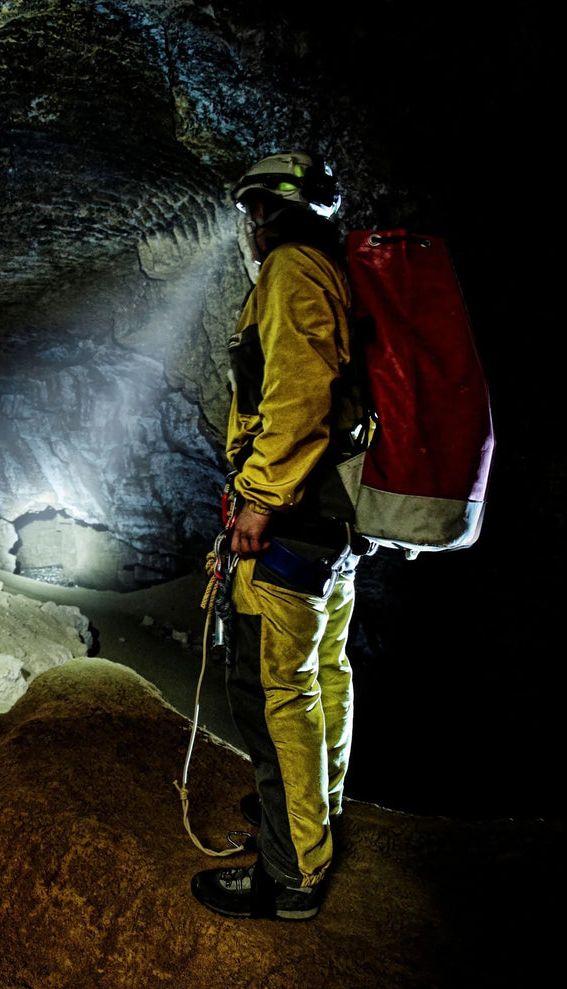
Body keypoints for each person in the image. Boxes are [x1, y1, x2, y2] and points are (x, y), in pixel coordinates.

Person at [191, 151, 372, 921]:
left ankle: (290, 871)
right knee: (323, 674)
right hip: (336, 517)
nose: (249, 229)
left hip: (293, 522)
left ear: (267, 210)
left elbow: (299, 395)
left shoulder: (292, 270)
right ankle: (310, 813)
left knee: (274, 695)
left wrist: (260, 500)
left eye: (251, 214)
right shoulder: (337, 271)